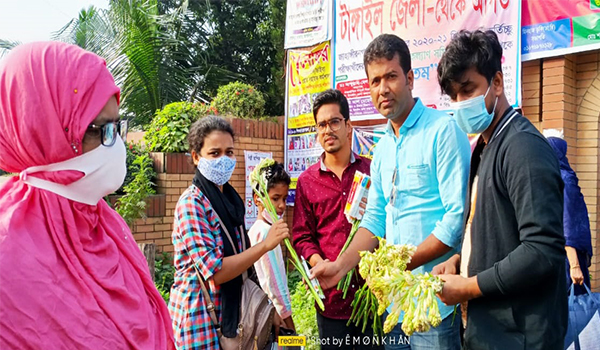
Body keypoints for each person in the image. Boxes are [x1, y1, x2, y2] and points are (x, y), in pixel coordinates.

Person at [0, 42, 174, 349]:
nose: (116, 145)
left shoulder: (104, 225)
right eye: (99, 129)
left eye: (117, 127)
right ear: (40, 127)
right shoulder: (8, 257)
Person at [311, 34, 470, 350]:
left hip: (434, 302)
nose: (382, 88)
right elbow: (375, 218)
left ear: (410, 78)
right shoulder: (381, 150)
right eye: (375, 81)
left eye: (391, 77)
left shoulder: (443, 131)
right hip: (394, 306)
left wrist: (404, 262)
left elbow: (456, 218)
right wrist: (341, 266)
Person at [432, 30, 567, 349]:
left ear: (496, 82)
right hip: (488, 330)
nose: (461, 104)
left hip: (520, 336)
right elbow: (489, 227)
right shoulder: (485, 146)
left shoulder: (523, 148)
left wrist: (467, 287)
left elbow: (542, 250)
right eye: (454, 96)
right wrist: (459, 260)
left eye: (468, 90)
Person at [168, 116, 289, 349]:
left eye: (229, 152)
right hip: (200, 320)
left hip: (232, 316)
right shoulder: (192, 204)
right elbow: (216, 272)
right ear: (196, 157)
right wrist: (264, 246)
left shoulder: (231, 201)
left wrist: (267, 308)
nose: (224, 160)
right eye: (215, 153)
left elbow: (244, 264)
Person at [293, 89, 380, 350]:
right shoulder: (307, 182)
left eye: (334, 122)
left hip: (372, 297)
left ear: (348, 125)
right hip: (331, 301)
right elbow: (302, 235)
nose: (328, 130)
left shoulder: (371, 170)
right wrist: (321, 264)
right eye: (321, 125)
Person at [248, 161, 295, 336]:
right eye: (275, 198)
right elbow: (275, 285)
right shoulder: (267, 233)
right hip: (278, 320)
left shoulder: (255, 230)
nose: (282, 205)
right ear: (257, 199)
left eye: (284, 198)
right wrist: (291, 326)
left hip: (262, 315)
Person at [547, 136, 593, 294]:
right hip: (568, 258)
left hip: (558, 255)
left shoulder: (552, 178)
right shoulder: (565, 180)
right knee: (575, 309)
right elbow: (567, 224)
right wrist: (575, 266)